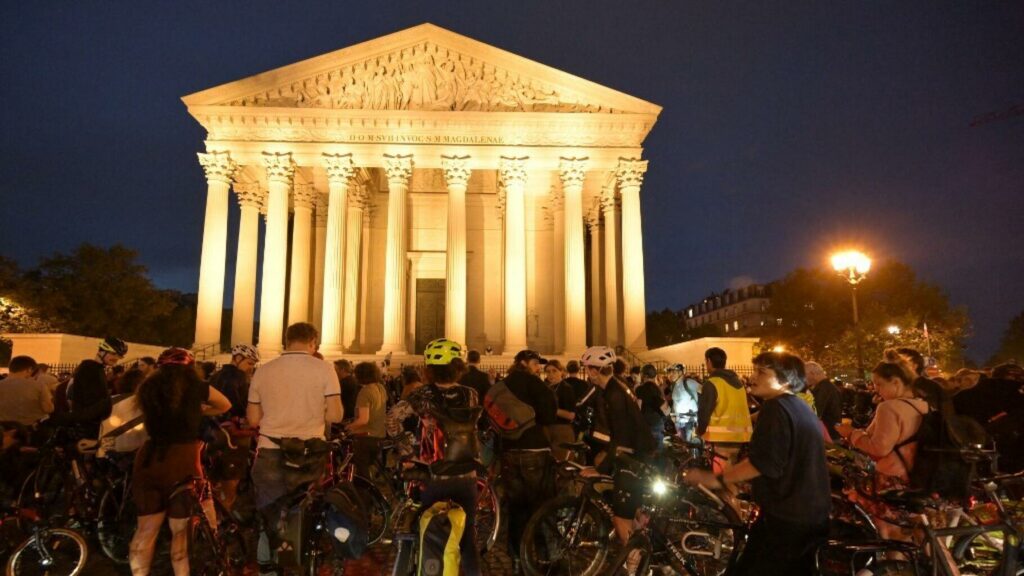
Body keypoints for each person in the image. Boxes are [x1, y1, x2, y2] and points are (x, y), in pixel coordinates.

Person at [685, 352, 830, 576]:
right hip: (810, 515)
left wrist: (716, 478)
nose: (752, 377)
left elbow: (763, 464)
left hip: (785, 519)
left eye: (761, 372)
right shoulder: (800, 408)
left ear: (785, 380)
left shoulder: (776, 409)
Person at [248, 323, 343, 575]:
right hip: (308, 452)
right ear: (313, 342)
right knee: (305, 507)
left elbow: (253, 419)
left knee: (269, 509)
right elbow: (335, 414)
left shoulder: (263, 371)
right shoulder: (324, 369)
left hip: (270, 448)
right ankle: (300, 561)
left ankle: (267, 564)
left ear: (287, 341)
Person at [128, 347, 231, 576]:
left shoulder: (147, 387)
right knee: (181, 533)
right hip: (182, 461)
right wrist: (197, 412)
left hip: (149, 458)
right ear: (190, 366)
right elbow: (225, 405)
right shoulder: (196, 387)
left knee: (145, 531)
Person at [403, 338, 483, 575]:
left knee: (431, 533)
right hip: (466, 472)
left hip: (434, 472)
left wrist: (408, 450)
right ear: (459, 367)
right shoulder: (471, 394)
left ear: (429, 369)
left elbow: (393, 420)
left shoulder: (422, 395)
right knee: (468, 537)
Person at [836, 351, 929, 539]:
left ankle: (892, 567)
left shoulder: (889, 407)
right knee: (918, 535)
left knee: (890, 534)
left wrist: (852, 434)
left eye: (879, 384)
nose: (876, 389)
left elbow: (879, 448)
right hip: (920, 476)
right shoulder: (923, 405)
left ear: (895, 382)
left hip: (892, 479)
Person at [580, 346, 654, 547]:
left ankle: (635, 566)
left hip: (633, 457)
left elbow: (620, 439)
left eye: (588, 369)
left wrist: (599, 468)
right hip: (636, 453)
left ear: (595, 371)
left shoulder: (613, 394)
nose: (587, 374)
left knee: (621, 519)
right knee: (633, 512)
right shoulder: (614, 387)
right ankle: (644, 552)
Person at [499, 349, 557, 568]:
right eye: (535, 363)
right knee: (542, 505)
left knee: (516, 508)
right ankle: (546, 556)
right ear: (524, 363)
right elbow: (549, 416)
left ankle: (516, 557)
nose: (538, 367)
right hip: (534, 450)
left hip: (509, 451)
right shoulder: (535, 384)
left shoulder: (504, 385)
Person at [206, 343, 260, 512]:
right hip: (233, 433)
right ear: (237, 358)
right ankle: (227, 509)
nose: (251, 368)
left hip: (211, 429)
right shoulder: (239, 378)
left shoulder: (216, 375)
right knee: (232, 476)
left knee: (213, 475)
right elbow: (239, 405)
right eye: (249, 363)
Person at [61, 337, 126, 438]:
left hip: (89, 422)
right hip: (87, 426)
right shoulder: (90, 369)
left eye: (119, 356)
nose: (116, 358)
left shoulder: (97, 369)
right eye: (113, 354)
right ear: (102, 351)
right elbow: (91, 402)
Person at [698, 347, 752, 465]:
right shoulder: (738, 382)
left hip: (721, 439)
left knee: (721, 478)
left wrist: (699, 431)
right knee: (732, 475)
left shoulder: (712, 383)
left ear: (708, 361)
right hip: (741, 437)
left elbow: (704, 412)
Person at [345, 361, 388, 481]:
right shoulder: (381, 388)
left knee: (362, 473)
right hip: (379, 435)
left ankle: (364, 496)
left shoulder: (364, 392)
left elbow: (363, 419)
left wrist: (348, 427)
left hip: (365, 437)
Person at [0, 356, 54, 427]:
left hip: (4, 428)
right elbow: (48, 408)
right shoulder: (38, 386)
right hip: (31, 427)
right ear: (29, 369)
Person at [543, 360, 577, 461]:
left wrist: (552, 410)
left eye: (554, 371)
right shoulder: (548, 388)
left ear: (561, 372)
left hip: (562, 430)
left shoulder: (566, 389)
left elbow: (571, 415)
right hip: (548, 429)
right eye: (548, 372)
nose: (551, 374)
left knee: (562, 463)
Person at [636, 364, 669, 455]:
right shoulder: (658, 389)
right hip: (658, 422)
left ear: (644, 376)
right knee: (658, 451)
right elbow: (664, 406)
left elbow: (638, 407)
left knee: (647, 452)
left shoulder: (640, 389)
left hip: (646, 424)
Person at [805, 361, 843, 442]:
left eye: (805, 375)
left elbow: (815, 413)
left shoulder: (823, 390)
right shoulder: (829, 387)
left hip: (827, 436)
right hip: (832, 433)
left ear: (812, 373)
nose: (804, 378)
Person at [668, 363, 700, 441]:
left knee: (690, 443)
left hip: (690, 419)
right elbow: (675, 402)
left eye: (674, 372)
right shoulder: (674, 385)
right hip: (678, 419)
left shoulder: (689, 382)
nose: (671, 374)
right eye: (670, 372)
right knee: (683, 443)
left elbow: (705, 391)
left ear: (681, 372)